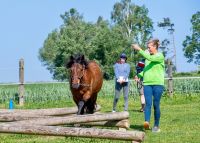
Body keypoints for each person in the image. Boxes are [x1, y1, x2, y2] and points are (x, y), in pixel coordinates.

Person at [131, 39, 165, 133]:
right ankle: (146, 122)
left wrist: (139, 49)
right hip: (147, 84)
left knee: (156, 104)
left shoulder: (159, 56)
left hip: (158, 84)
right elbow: (146, 69)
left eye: (149, 47)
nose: (148, 49)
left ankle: (156, 126)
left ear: (155, 47)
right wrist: (139, 75)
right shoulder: (147, 58)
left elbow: (151, 59)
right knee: (148, 104)